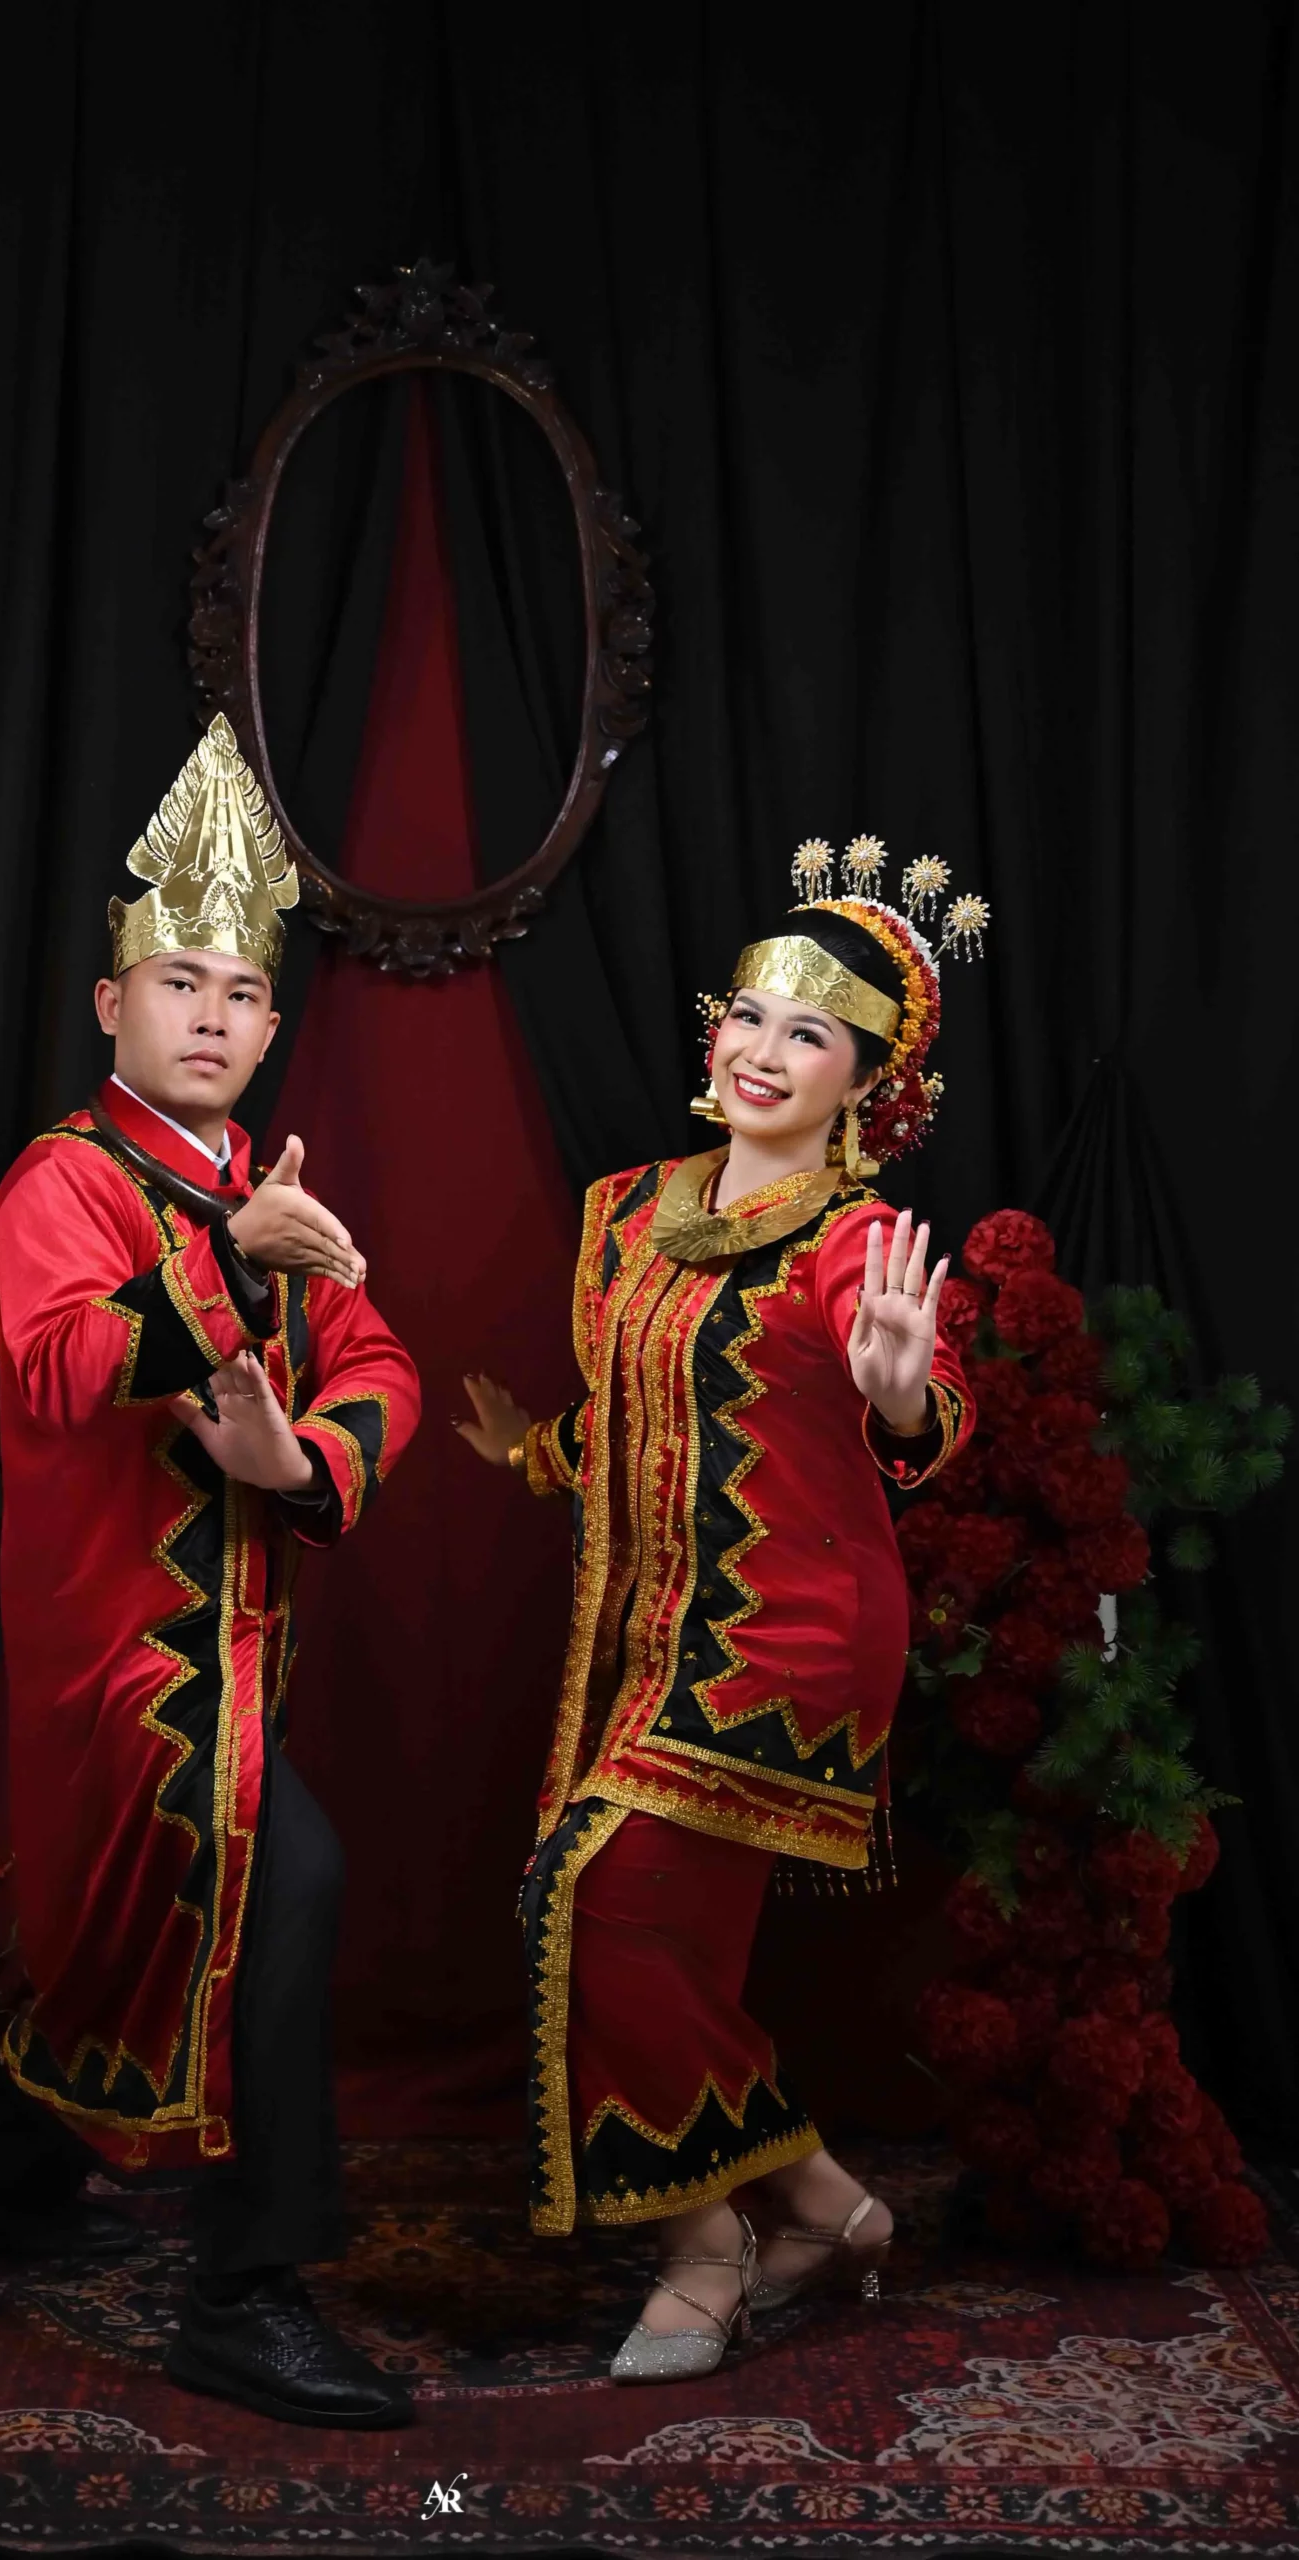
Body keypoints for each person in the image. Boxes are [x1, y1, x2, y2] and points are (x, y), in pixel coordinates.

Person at [459, 836, 986, 2382]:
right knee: (646, 1940)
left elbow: (919, 1408)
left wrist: (904, 1393)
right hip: (637, 1642)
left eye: (809, 1033)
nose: (762, 1050)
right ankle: (826, 2208)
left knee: (592, 1903)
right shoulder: (631, 1209)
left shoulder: (850, 1241)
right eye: (749, 1013)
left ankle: (710, 2254)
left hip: (789, 1637)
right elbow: (652, 1413)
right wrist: (540, 1455)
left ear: (868, 1085)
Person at [0, 715, 420, 2428]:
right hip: (124, 1662)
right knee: (275, 1885)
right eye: (180, 985)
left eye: (242, 993)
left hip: (246, 1659)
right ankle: (248, 2296)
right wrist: (228, 1267)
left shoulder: (268, 1191)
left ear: (273, 1025)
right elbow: (56, 1366)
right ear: (113, 1004)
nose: (215, 1017)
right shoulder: (64, 1181)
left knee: (158, 1938)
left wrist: (297, 1462)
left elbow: (377, 1358)